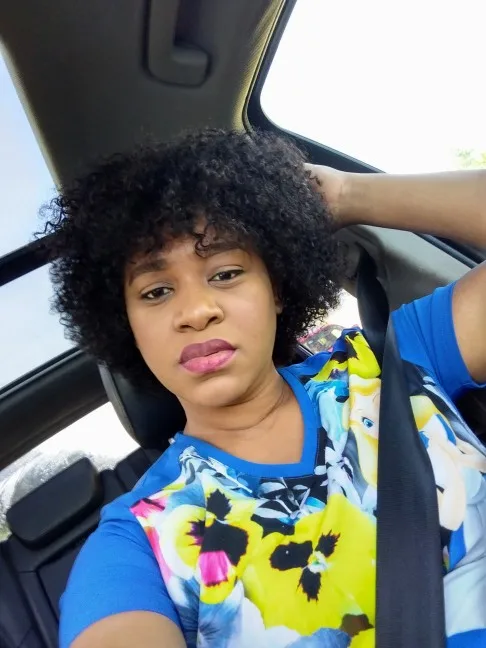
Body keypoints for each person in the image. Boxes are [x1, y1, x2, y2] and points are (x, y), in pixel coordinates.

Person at [43, 129, 486, 648]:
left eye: (226, 273)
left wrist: (346, 195)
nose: (196, 311)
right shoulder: (141, 540)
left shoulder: (394, 359)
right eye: (157, 291)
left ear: (275, 289)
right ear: (127, 326)